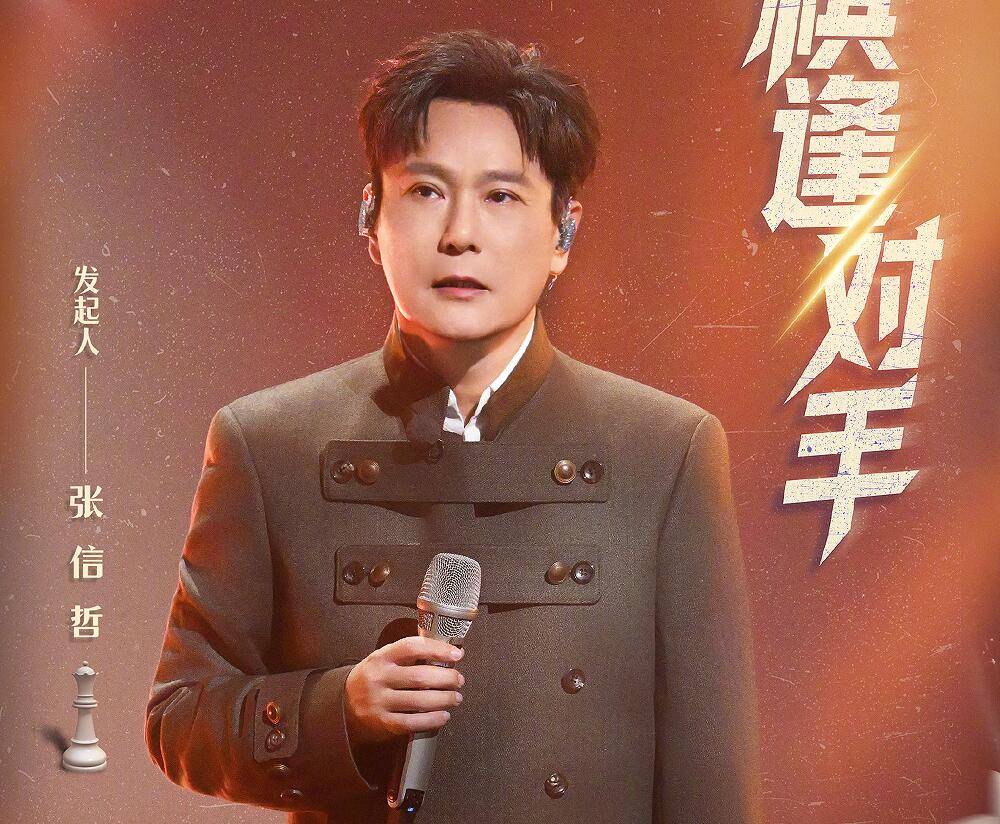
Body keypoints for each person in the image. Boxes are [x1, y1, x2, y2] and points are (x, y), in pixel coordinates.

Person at [144, 28, 764, 824]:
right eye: (426, 191)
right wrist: (340, 707)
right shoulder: (268, 443)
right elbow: (179, 717)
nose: (459, 234)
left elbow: (711, 786)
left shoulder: (665, 450)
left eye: (501, 196)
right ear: (371, 219)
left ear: (564, 234)